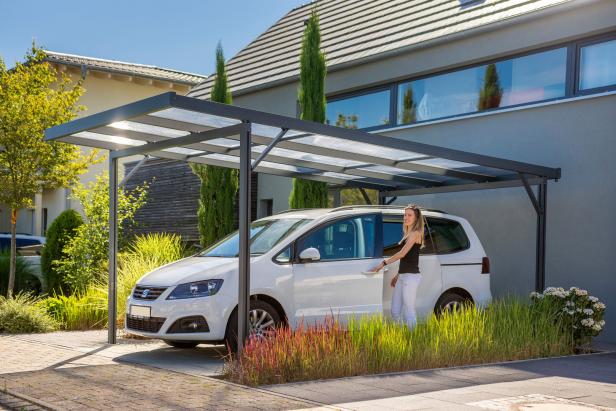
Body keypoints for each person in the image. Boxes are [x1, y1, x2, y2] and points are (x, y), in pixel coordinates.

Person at [371, 204, 424, 328]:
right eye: (405, 215)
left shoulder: (416, 233)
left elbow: (402, 254)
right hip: (403, 276)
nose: (406, 217)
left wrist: (382, 264)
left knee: (409, 311)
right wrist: (398, 275)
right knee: (395, 311)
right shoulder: (407, 234)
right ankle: (401, 335)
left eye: (409, 215)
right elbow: (407, 258)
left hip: (411, 277)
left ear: (416, 218)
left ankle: (412, 338)